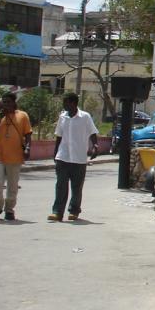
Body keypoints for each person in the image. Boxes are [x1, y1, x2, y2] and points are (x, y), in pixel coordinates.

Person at [49, 92, 98, 222]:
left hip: (79, 158)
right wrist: (55, 152)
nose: (64, 105)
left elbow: (93, 132)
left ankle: (74, 211)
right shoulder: (62, 117)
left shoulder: (85, 117)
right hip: (63, 156)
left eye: (67, 102)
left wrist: (95, 146)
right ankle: (57, 212)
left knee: (76, 187)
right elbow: (59, 135)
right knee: (60, 186)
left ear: (74, 103)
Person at [0, 92, 33, 221]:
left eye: (8, 102)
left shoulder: (22, 115)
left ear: (14, 102)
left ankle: (9, 210)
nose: (6, 104)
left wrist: (28, 148)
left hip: (15, 155)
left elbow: (28, 134)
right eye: (4, 102)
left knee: (12, 185)